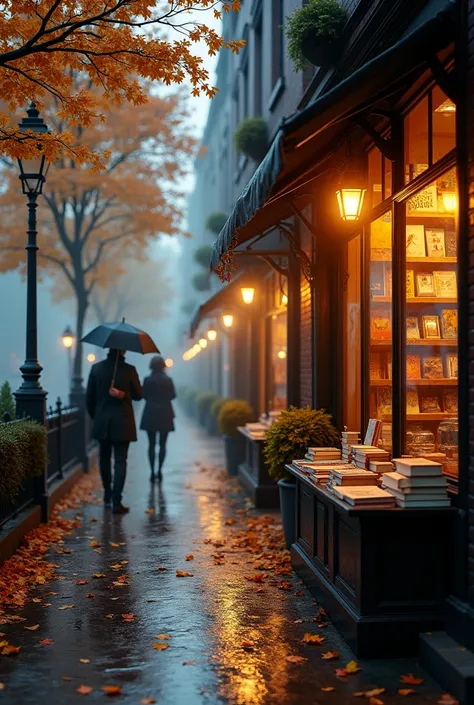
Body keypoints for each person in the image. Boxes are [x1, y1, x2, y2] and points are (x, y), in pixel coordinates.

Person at [86, 349, 143, 514]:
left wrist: (96, 417)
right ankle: (116, 501)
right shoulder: (130, 370)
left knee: (104, 459)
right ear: (123, 350)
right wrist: (124, 395)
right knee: (120, 460)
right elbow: (139, 395)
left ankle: (107, 495)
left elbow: (89, 398)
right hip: (123, 423)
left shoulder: (96, 369)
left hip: (102, 422)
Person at [140, 355, 176, 482]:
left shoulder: (147, 379)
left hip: (150, 413)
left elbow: (143, 395)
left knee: (151, 444)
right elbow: (173, 395)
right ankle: (160, 470)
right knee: (163, 444)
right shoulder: (168, 380)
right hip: (165, 413)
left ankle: (151, 471)